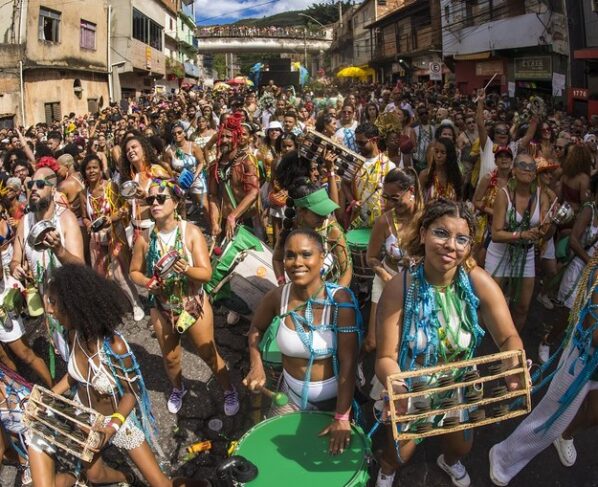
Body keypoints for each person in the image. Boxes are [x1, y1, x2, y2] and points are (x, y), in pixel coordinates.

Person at [375, 198, 524, 487]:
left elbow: (508, 337)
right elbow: (385, 357)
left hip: (458, 381)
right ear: (423, 234)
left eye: (461, 239)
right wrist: (396, 386)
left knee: (461, 447)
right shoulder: (400, 287)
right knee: (398, 453)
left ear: (469, 246)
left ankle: (448, 461)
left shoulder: (477, 282)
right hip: (412, 384)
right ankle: (387, 469)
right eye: (441, 233)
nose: (450, 245)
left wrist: (513, 361)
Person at [28, 264, 208, 487]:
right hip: (86, 419)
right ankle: (127, 478)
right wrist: (47, 396)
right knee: (94, 476)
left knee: (160, 484)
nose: (49, 310)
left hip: (118, 421)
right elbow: (75, 377)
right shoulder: (72, 333)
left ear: (75, 305)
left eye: (54, 303)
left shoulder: (115, 347)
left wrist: (111, 428)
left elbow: (132, 395)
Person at [244, 229, 361, 454]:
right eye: (290, 255)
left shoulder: (340, 301)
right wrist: (256, 364)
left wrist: (342, 417)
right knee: (274, 455)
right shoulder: (278, 297)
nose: (297, 262)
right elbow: (255, 329)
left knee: (323, 462)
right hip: (290, 398)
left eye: (306, 254)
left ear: (322, 256)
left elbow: (349, 361)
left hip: (334, 403)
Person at [130, 179, 239, 416]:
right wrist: (149, 283)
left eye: (161, 198)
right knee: (170, 358)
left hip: (192, 304)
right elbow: (134, 272)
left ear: (176, 202)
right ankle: (178, 388)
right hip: (162, 306)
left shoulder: (190, 232)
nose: (155, 203)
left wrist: (185, 269)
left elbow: (206, 273)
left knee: (208, 353)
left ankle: (228, 389)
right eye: (151, 200)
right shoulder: (145, 238)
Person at [489, 255, 598, 486]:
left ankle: (565, 436)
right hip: (584, 357)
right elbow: (593, 330)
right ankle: (502, 458)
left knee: (594, 413)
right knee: (550, 420)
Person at [10, 167, 85, 363]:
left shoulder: (65, 218)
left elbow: (80, 265)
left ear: (53, 190)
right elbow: (15, 260)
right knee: (66, 354)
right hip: (48, 303)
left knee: (84, 350)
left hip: (72, 297)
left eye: (41, 184)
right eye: (30, 184)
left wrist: (59, 249)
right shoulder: (24, 222)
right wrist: (16, 268)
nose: (34, 188)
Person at [484, 154, 550, 331]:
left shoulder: (541, 196)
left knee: (522, 307)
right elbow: (496, 234)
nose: (527, 169)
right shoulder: (503, 195)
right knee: (489, 302)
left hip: (525, 253)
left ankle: (511, 345)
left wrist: (550, 224)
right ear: (513, 170)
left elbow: (547, 232)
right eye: (522, 165)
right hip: (499, 253)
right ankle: (480, 345)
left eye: (531, 167)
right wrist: (522, 234)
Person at [79, 154, 144, 321]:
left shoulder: (112, 186)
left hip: (115, 234)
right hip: (96, 238)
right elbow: (85, 216)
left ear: (101, 169)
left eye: (94, 167)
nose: (91, 171)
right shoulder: (83, 193)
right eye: (88, 168)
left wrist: (111, 219)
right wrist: (88, 224)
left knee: (119, 274)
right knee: (100, 275)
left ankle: (137, 304)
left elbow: (124, 208)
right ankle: (112, 307)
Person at [364, 168, 423, 352]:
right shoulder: (384, 221)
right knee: (373, 342)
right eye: (386, 197)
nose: (389, 203)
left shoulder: (426, 218)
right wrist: (386, 277)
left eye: (395, 198)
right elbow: (371, 258)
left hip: (416, 284)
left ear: (411, 191)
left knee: (408, 341)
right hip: (386, 280)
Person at [272, 180, 352, 287]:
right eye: (318, 213)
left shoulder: (332, 230)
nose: (324, 217)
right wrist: (282, 284)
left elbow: (346, 269)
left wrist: (337, 297)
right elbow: (277, 259)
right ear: (301, 211)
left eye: (326, 212)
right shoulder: (288, 230)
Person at [207, 114, 260, 239]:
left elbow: (254, 192)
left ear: (236, 138)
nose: (224, 140)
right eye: (222, 136)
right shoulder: (215, 165)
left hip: (244, 219)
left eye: (228, 137)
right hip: (224, 221)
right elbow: (213, 196)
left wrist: (233, 216)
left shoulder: (246, 161)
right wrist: (214, 222)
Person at [345, 123, 394, 229]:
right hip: (357, 220)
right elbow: (345, 183)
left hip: (380, 223)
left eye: (362, 143)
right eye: (356, 142)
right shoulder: (354, 162)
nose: (358, 146)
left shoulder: (389, 166)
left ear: (374, 140)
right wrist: (352, 202)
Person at [472, 145, 513, 265]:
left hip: (509, 225)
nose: (504, 159)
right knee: (481, 259)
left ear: (511, 160)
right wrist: (494, 212)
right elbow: (476, 201)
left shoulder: (515, 180)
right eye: (500, 157)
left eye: (507, 157)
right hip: (488, 225)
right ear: (495, 161)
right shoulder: (488, 178)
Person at [164, 121, 208, 213]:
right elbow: (167, 168)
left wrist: (195, 175)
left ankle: (214, 226)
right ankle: (184, 224)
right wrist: (174, 174)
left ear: (184, 133)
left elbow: (201, 162)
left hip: (196, 177)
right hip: (179, 180)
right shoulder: (169, 151)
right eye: (174, 133)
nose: (177, 135)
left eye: (179, 132)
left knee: (204, 205)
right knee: (180, 207)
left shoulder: (194, 146)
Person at [419, 138, 463, 202]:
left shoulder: (457, 176)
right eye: (436, 151)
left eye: (443, 152)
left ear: (450, 155)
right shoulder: (425, 175)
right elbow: (418, 201)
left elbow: (459, 201)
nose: (438, 155)